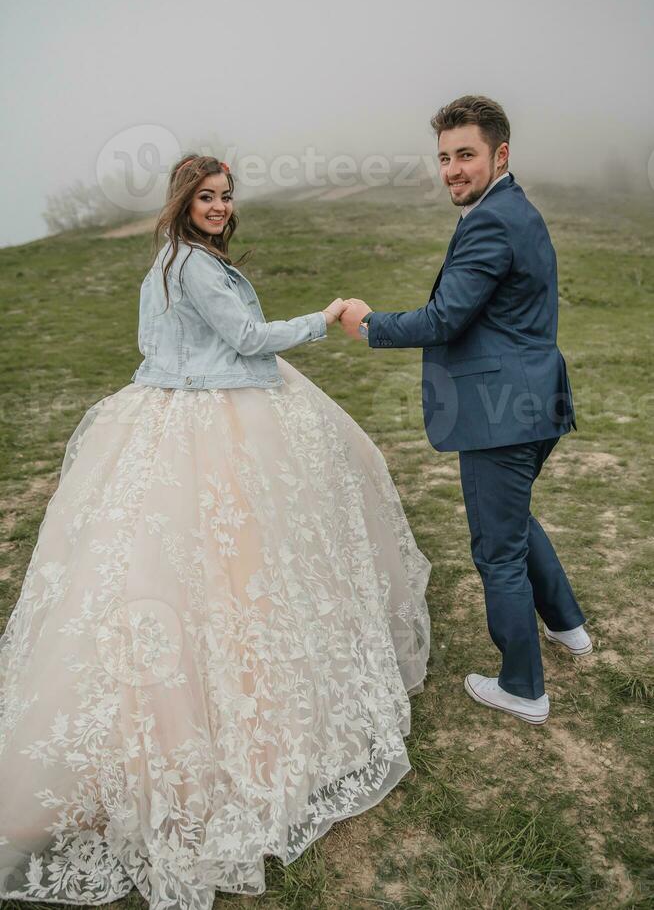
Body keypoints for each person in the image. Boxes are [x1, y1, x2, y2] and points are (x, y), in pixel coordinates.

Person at [0, 155, 431, 906]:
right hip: (210, 412)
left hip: (169, 405)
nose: (221, 207)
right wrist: (323, 320)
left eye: (227, 197)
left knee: (167, 568)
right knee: (229, 563)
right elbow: (246, 337)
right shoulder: (193, 266)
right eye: (207, 196)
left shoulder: (170, 260)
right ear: (183, 200)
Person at [340, 95, 592, 727]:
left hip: (499, 410)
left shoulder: (490, 220)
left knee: (495, 549)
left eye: (466, 155)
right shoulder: (513, 208)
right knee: (513, 520)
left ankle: (522, 687)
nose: (452, 169)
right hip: (534, 398)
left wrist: (368, 325)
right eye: (445, 157)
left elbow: (444, 318)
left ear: (500, 154)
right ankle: (569, 626)